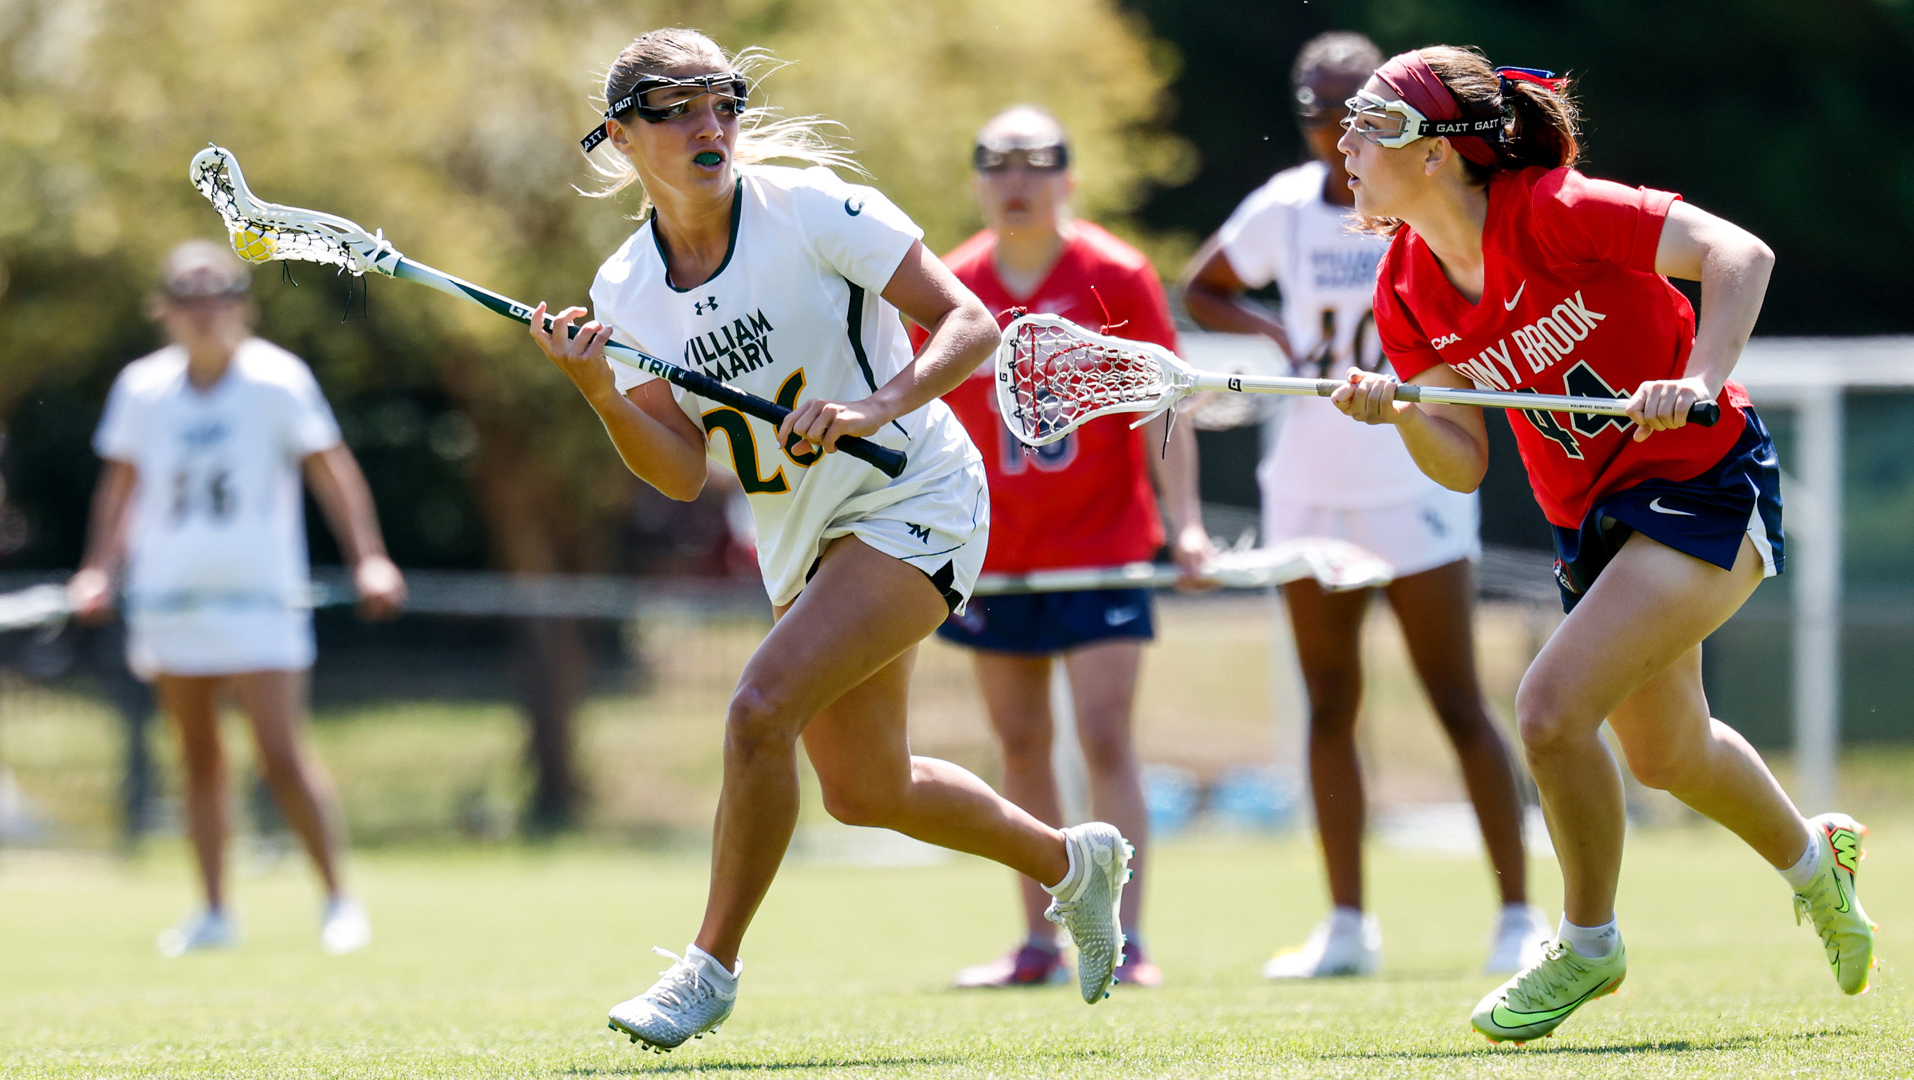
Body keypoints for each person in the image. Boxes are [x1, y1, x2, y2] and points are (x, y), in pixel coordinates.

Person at [531, 29, 1134, 1052]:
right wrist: (597, 392)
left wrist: (872, 405)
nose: (708, 124)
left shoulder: (808, 207)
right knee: (866, 790)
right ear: (622, 139)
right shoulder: (627, 285)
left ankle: (706, 971)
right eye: (675, 109)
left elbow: (970, 323)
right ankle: (1074, 866)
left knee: (757, 710)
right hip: (806, 541)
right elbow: (678, 472)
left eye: (721, 101)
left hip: (920, 499)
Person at [1327, 45, 1874, 1042]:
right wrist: (1399, 413)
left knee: (1546, 710)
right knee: (1669, 754)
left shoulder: (1555, 211)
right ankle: (1818, 868)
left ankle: (1588, 942)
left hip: (1703, 484)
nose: (1347, 142)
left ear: (1440, 151)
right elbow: (1461, 459)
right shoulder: (1405, 288)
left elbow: (1739, 253)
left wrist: (1702, 375)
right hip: (1594, 525)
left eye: (1370, 123)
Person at [1182, 32, 1545, 980]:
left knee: (1455, 697)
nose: (1330, 133)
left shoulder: (1413, 214)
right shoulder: (1285, 211)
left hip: (1411, 482)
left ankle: (1517, 913)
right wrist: (1278, 333)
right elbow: (1205, 285)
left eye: (1350, 112)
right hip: (1309, 483)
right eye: (1317, 113)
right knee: (1329, 700)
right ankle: (1346, 922)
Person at [924, 106, 1211, 991]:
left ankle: (1126, 940)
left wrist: (1185, 523)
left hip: (1102, 544)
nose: (1016, 181)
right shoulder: (954, 283)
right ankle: (1043, 939)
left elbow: (1164, 404)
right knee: (1018, 742)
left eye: (1035, 163)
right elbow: (922, 414)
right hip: (995, 552)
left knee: (1103, 734)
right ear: (976, 179)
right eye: (997, 163)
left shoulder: (1115, 273)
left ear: (1066, 178)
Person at [68, 240, 407, 956]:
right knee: (197, 757)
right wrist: (99, 568)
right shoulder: (141, 387)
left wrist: (370, 558)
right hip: (173, 597)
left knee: (281, 753)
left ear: (239, 303)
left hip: (259, 597)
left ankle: (339, 901)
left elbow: (332, 472)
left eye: (216, 295)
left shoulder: (277, 380)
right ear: (164, 309)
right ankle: (216, 912)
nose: (202, 313)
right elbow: (121, 488)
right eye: (186, 298)